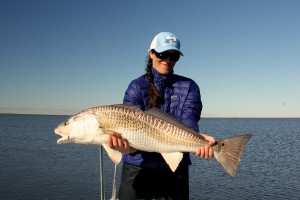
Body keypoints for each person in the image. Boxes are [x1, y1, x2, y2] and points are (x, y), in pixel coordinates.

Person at [107, 32, 215, 200]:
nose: (168, 59)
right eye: (162, 54)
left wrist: (198, 138)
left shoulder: (189, 86)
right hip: (138, 168)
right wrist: (124, 147)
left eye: (174, 56)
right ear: (151, 53)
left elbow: (189, 119)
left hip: (175, 169)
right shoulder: (136, 87)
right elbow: (128, 125)